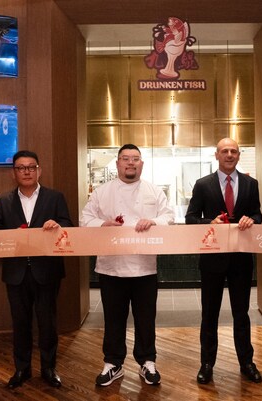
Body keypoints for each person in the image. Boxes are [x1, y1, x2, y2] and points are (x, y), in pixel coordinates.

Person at [81, 144, 174, 387]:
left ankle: (147, 361)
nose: (130, 163)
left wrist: (152, 221)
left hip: (145, 267)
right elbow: (85, 219)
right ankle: (113, 363)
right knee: (113, 319)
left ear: (141, 164)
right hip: (111, 267)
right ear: (117, 163)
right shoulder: (101, 192)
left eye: (135, 159)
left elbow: (169, 216)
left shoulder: (154, 191)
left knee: (146, 319)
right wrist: (103, 225)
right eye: (125, 158)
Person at [0, 150, 74, 389]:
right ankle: (22, 369)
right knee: (20, 323)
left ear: (39, 170)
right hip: (15, 272)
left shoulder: (55, 197)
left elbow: (68, 226)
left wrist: (58, 225)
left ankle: (49, 368)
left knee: (48, 323)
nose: (26, 171)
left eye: (31, 167)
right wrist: (10, 234)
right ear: (13, 173)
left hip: (47, 270)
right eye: (21, 168)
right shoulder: (3, 201)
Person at [185, 137, 262, 384]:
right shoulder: (203, 185)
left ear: (238, 155)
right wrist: (210, 222)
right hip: (212, 259)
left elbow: (258, 214)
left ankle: (247, 362)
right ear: (216, 155)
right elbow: (190, 218)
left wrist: (252, 219)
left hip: (241, 259)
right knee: (210, 314)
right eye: (225, 151)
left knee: (242, 314)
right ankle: (207, 364)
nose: (229, 155)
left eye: (234, 151)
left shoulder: (251, 184)